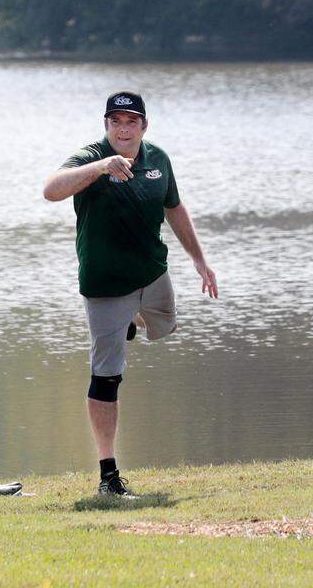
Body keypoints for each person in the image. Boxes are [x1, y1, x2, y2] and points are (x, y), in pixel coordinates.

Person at [43, 90, 218, 496]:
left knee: (168, 327)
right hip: (106, 286)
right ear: (106, 126)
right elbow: (51, 190)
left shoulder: (158, 160)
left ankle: (132, 322)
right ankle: (108, 475)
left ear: (144, 125)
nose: (124, 129)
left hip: (153, 275)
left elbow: (174, 208)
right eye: (115, 122)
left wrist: (199, 259)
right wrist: (101, 168)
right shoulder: (91, 157)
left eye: (131, 121)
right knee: (107, 377)